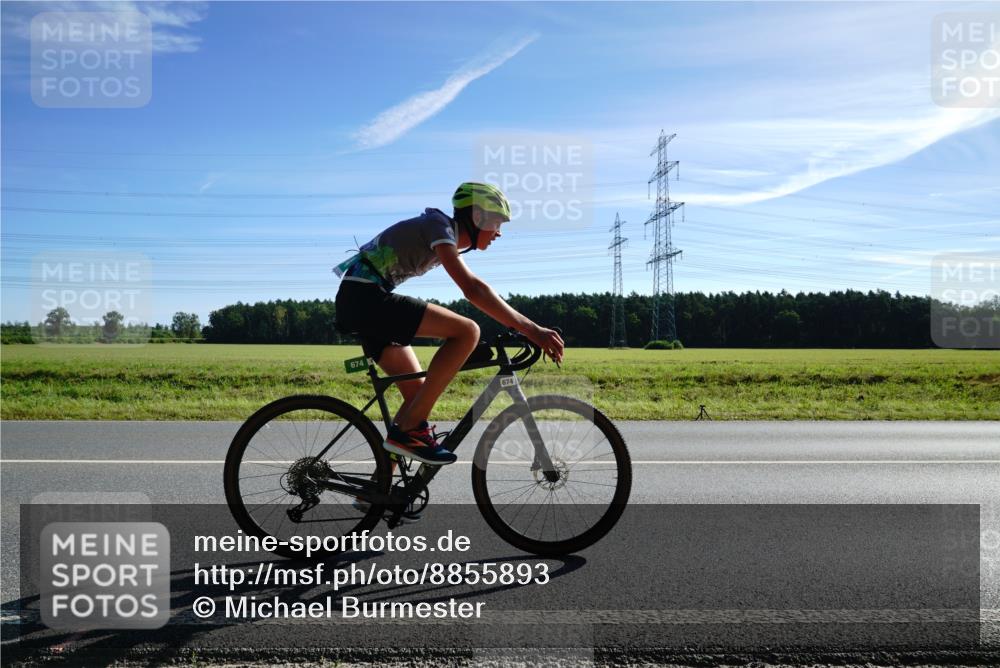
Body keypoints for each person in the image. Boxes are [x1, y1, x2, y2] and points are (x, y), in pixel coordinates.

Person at [334, 182, 564, 466]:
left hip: (362, 302)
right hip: (365, 300)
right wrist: (532, 329)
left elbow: (476, 290)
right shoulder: (438, 226)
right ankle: (408, 433)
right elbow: (472, 288)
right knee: (467, 331)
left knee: (417, 400)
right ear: (477, 217)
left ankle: (379, 494)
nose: (499, 232)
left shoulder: (441, 233)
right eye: (496, 222)